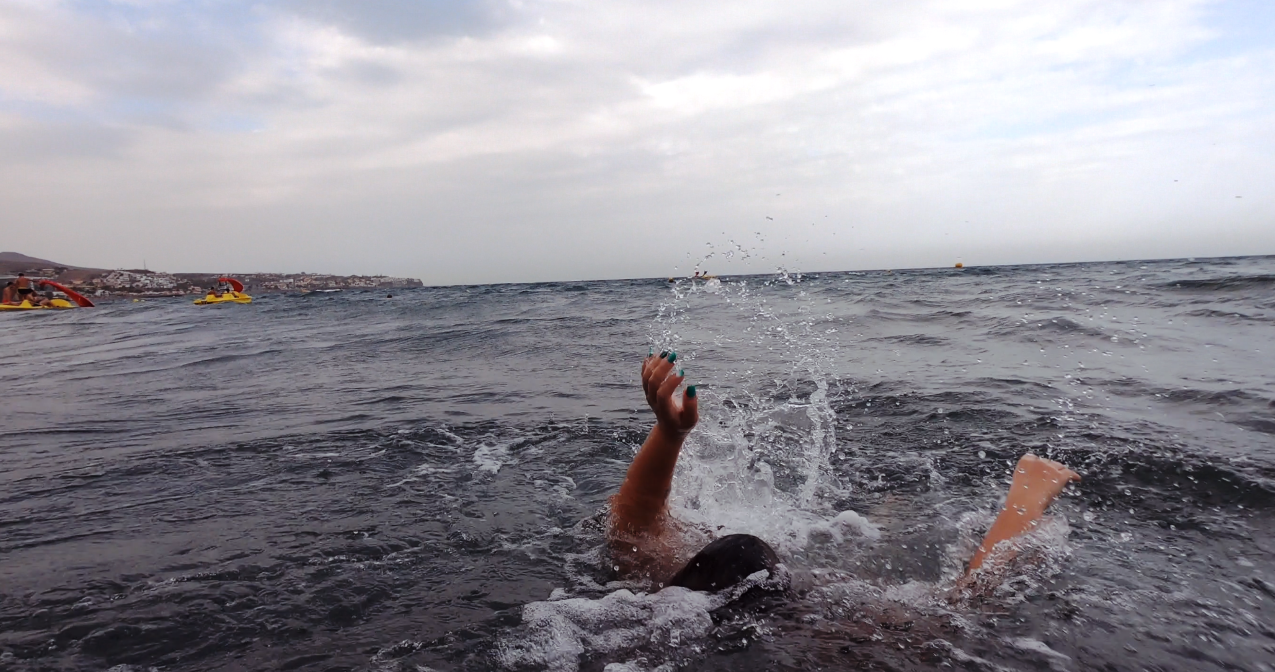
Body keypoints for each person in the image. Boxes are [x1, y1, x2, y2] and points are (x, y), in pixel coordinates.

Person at [609, 351, 1081, 593]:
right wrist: (1027, 496)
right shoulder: (820, 632)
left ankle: (884, 516)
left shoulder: (656, 610)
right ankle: (885, 516)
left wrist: (669, 434)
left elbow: (632, 526)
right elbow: (969, 602)